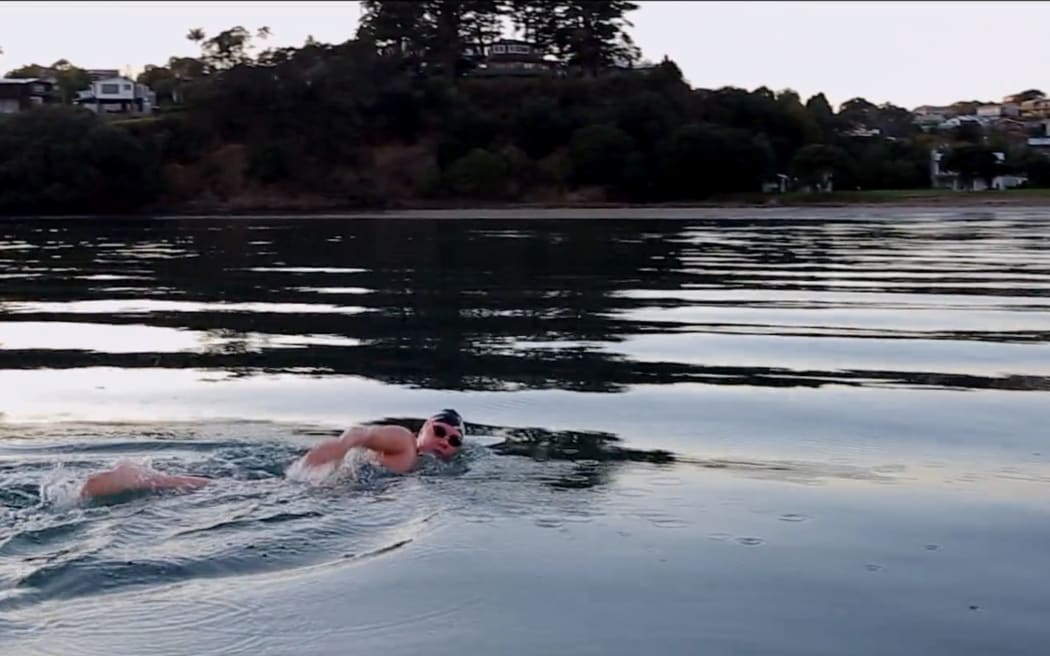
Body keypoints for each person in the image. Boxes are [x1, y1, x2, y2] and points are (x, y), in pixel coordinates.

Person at [78, 409, 466, 501]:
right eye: (439, 430)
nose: (445, 441)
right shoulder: (402, 441)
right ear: (422, 430)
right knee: (228, 492)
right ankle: (142, 479)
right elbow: (361, 434)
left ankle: (150, 478)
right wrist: (340, 448)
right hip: (318, 486)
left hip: (331, 493)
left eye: (454, 441)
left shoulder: (428, 471)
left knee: (229, 490)